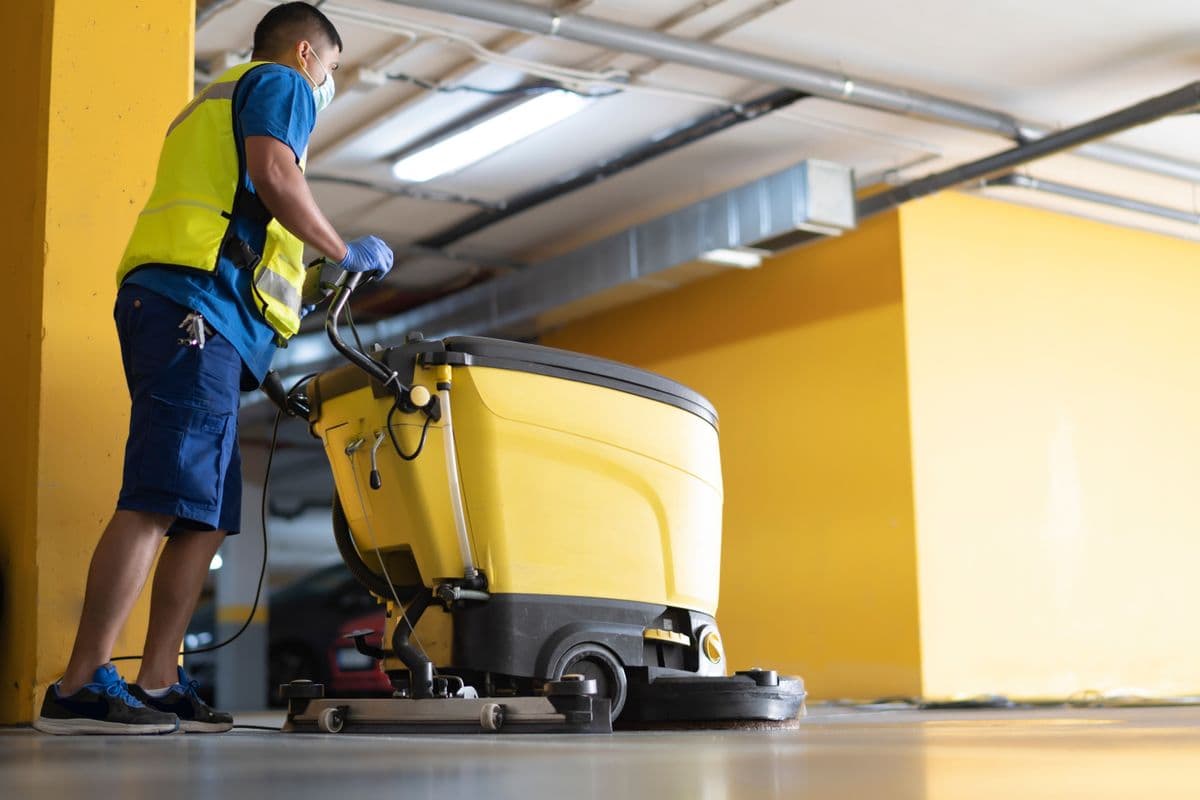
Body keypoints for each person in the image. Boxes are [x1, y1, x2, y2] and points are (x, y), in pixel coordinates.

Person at [34, 2, 394, 735]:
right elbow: (273, 176)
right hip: (189, 311)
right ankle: (76, 686)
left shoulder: (215, 104)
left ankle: (160, 680)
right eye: (330, 70)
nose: (326, 87)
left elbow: (244, 220)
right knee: (161, 495)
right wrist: (341, 248)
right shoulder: (278, 82)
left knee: (203, 514)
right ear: (306, 54)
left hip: (205, 322)